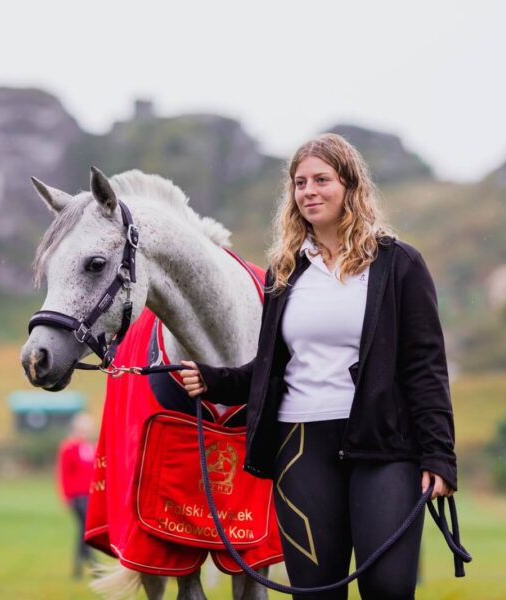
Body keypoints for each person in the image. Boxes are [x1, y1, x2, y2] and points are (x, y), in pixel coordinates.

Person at [180, 133, 457, 600]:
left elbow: (425, 367)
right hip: (301, 444)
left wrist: (439, 455)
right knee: (315, 592)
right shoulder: (286, 272)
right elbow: (269, 369)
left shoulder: (399, 264)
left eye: (322, 180)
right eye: (299, 182)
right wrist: (213, 380)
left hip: (385, 446)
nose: (308, 191)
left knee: (388, 588)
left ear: (350, 185)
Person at [55, 413, 97, 579]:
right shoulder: (69, 447)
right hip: (77, 496)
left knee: (82, 531)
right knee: (85, 529)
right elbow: (63, 473)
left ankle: (78, 568)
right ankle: (94, 564)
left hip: (89, 494)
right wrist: (65, 496)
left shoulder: (89, 447)